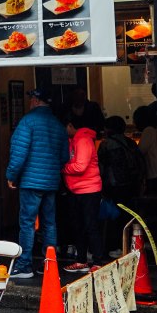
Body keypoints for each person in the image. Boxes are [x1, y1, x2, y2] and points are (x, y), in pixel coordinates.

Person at [5, 89, 70, 279]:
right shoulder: (58, 125)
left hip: (31, 181)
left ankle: (24, 264)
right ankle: (50, 263)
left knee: (27, 222)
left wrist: (11, 175)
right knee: (49, 222)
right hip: (51, 181)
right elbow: (64, 156)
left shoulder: (27, 122)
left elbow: (19, 154)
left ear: (35, 100)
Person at [63, 111, 105, 273]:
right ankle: (81, 260)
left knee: (90, 225)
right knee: (78, 226)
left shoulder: (84, 139)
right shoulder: (72, 140)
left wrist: (63, 168)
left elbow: (80, 166)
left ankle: (98, 261)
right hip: (76, 190)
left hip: (89, 190)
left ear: (70, 125)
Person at [97, 116, 145, 255]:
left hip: (114, 186)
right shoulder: (131, 143)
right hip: (131, 185)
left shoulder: (106, 144)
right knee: (129, 215)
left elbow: (101, 168)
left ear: (108, 129)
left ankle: (115, 247)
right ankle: (131, 244)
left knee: (113, 217)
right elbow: (140, 163)